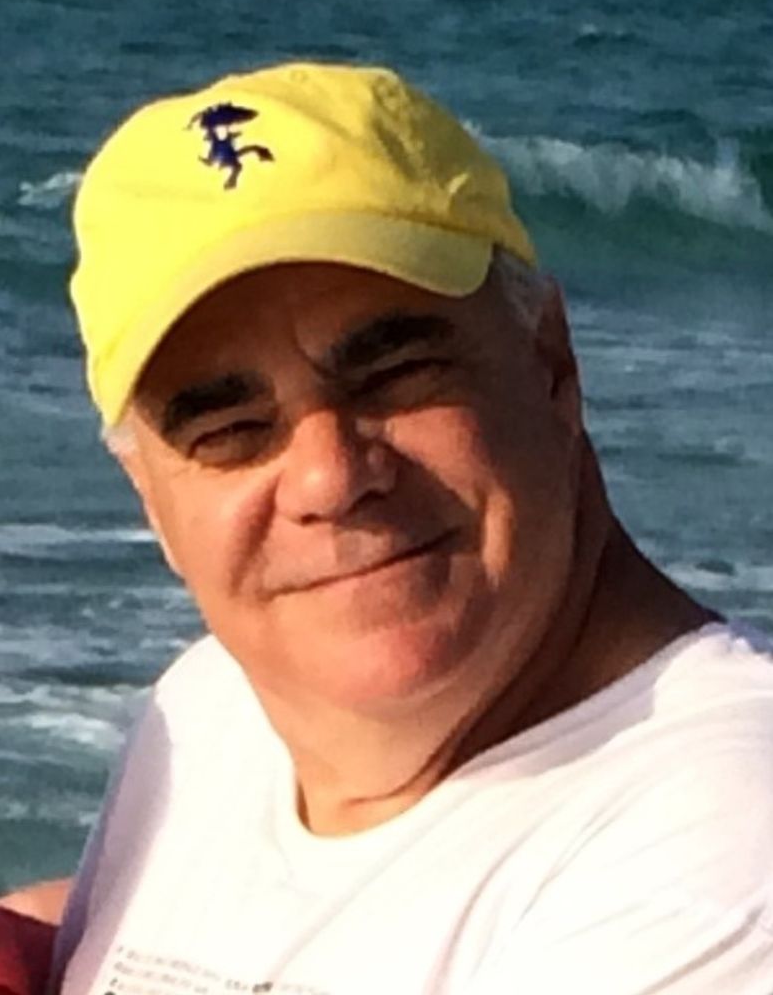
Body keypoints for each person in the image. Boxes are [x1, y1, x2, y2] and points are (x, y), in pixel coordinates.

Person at [48, 62, 773, 993]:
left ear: (551, 365)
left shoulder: (717, 849)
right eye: (229, 429)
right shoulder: (211, 717)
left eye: (394, 375)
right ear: (149, 496)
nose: (330, 477)